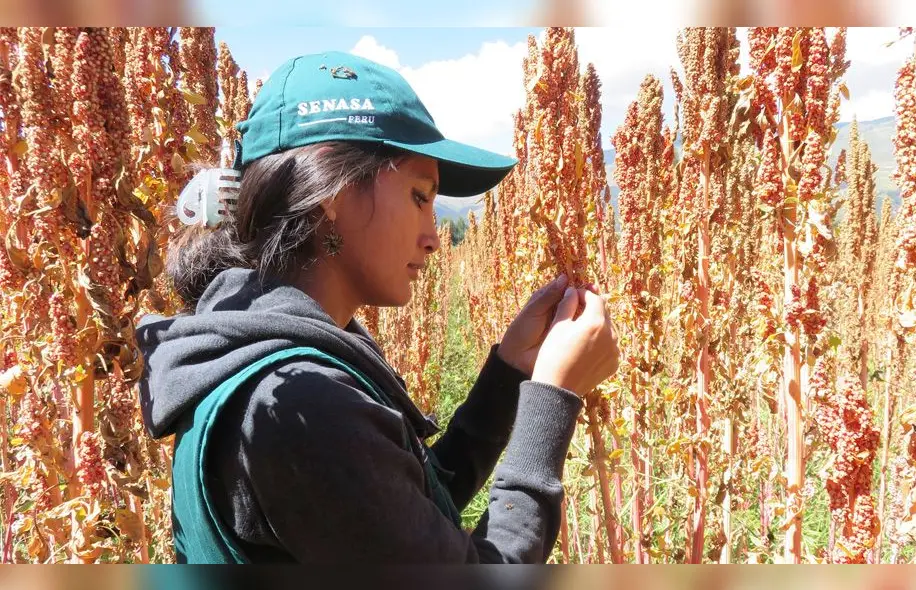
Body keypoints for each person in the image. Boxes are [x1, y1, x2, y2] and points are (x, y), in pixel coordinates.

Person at [136, 49, 620, 564]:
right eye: (419, 196)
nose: (434, 236)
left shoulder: (268, 355)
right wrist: (552, 397)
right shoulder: (299, 404)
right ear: (334, 191)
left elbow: (393, 516)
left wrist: (510, 375)